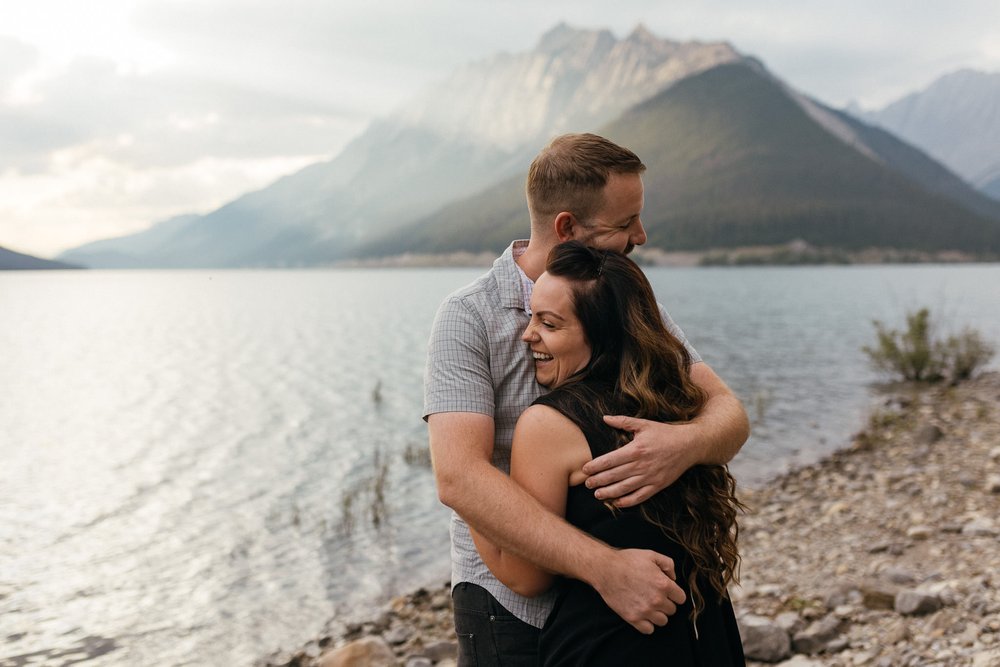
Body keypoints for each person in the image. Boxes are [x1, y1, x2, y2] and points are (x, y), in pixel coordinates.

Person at [424, 133, 749, 666]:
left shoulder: (621, 299)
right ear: (567, 227)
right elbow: (458, 476)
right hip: (511, 605)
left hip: (625, 605)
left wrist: (684, 444)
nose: (640, 236)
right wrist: (606, 568)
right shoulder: (469, 317)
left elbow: (729, 415)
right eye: (623, 225)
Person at [470, 241, 746, 665]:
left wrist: (476, 485)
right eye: (531, 317)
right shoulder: (682, 402)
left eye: (550, 324)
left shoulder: (549, 425)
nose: (528, 335)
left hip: (608, 644)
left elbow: (527, 577)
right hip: (704, 632)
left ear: (601, 335)